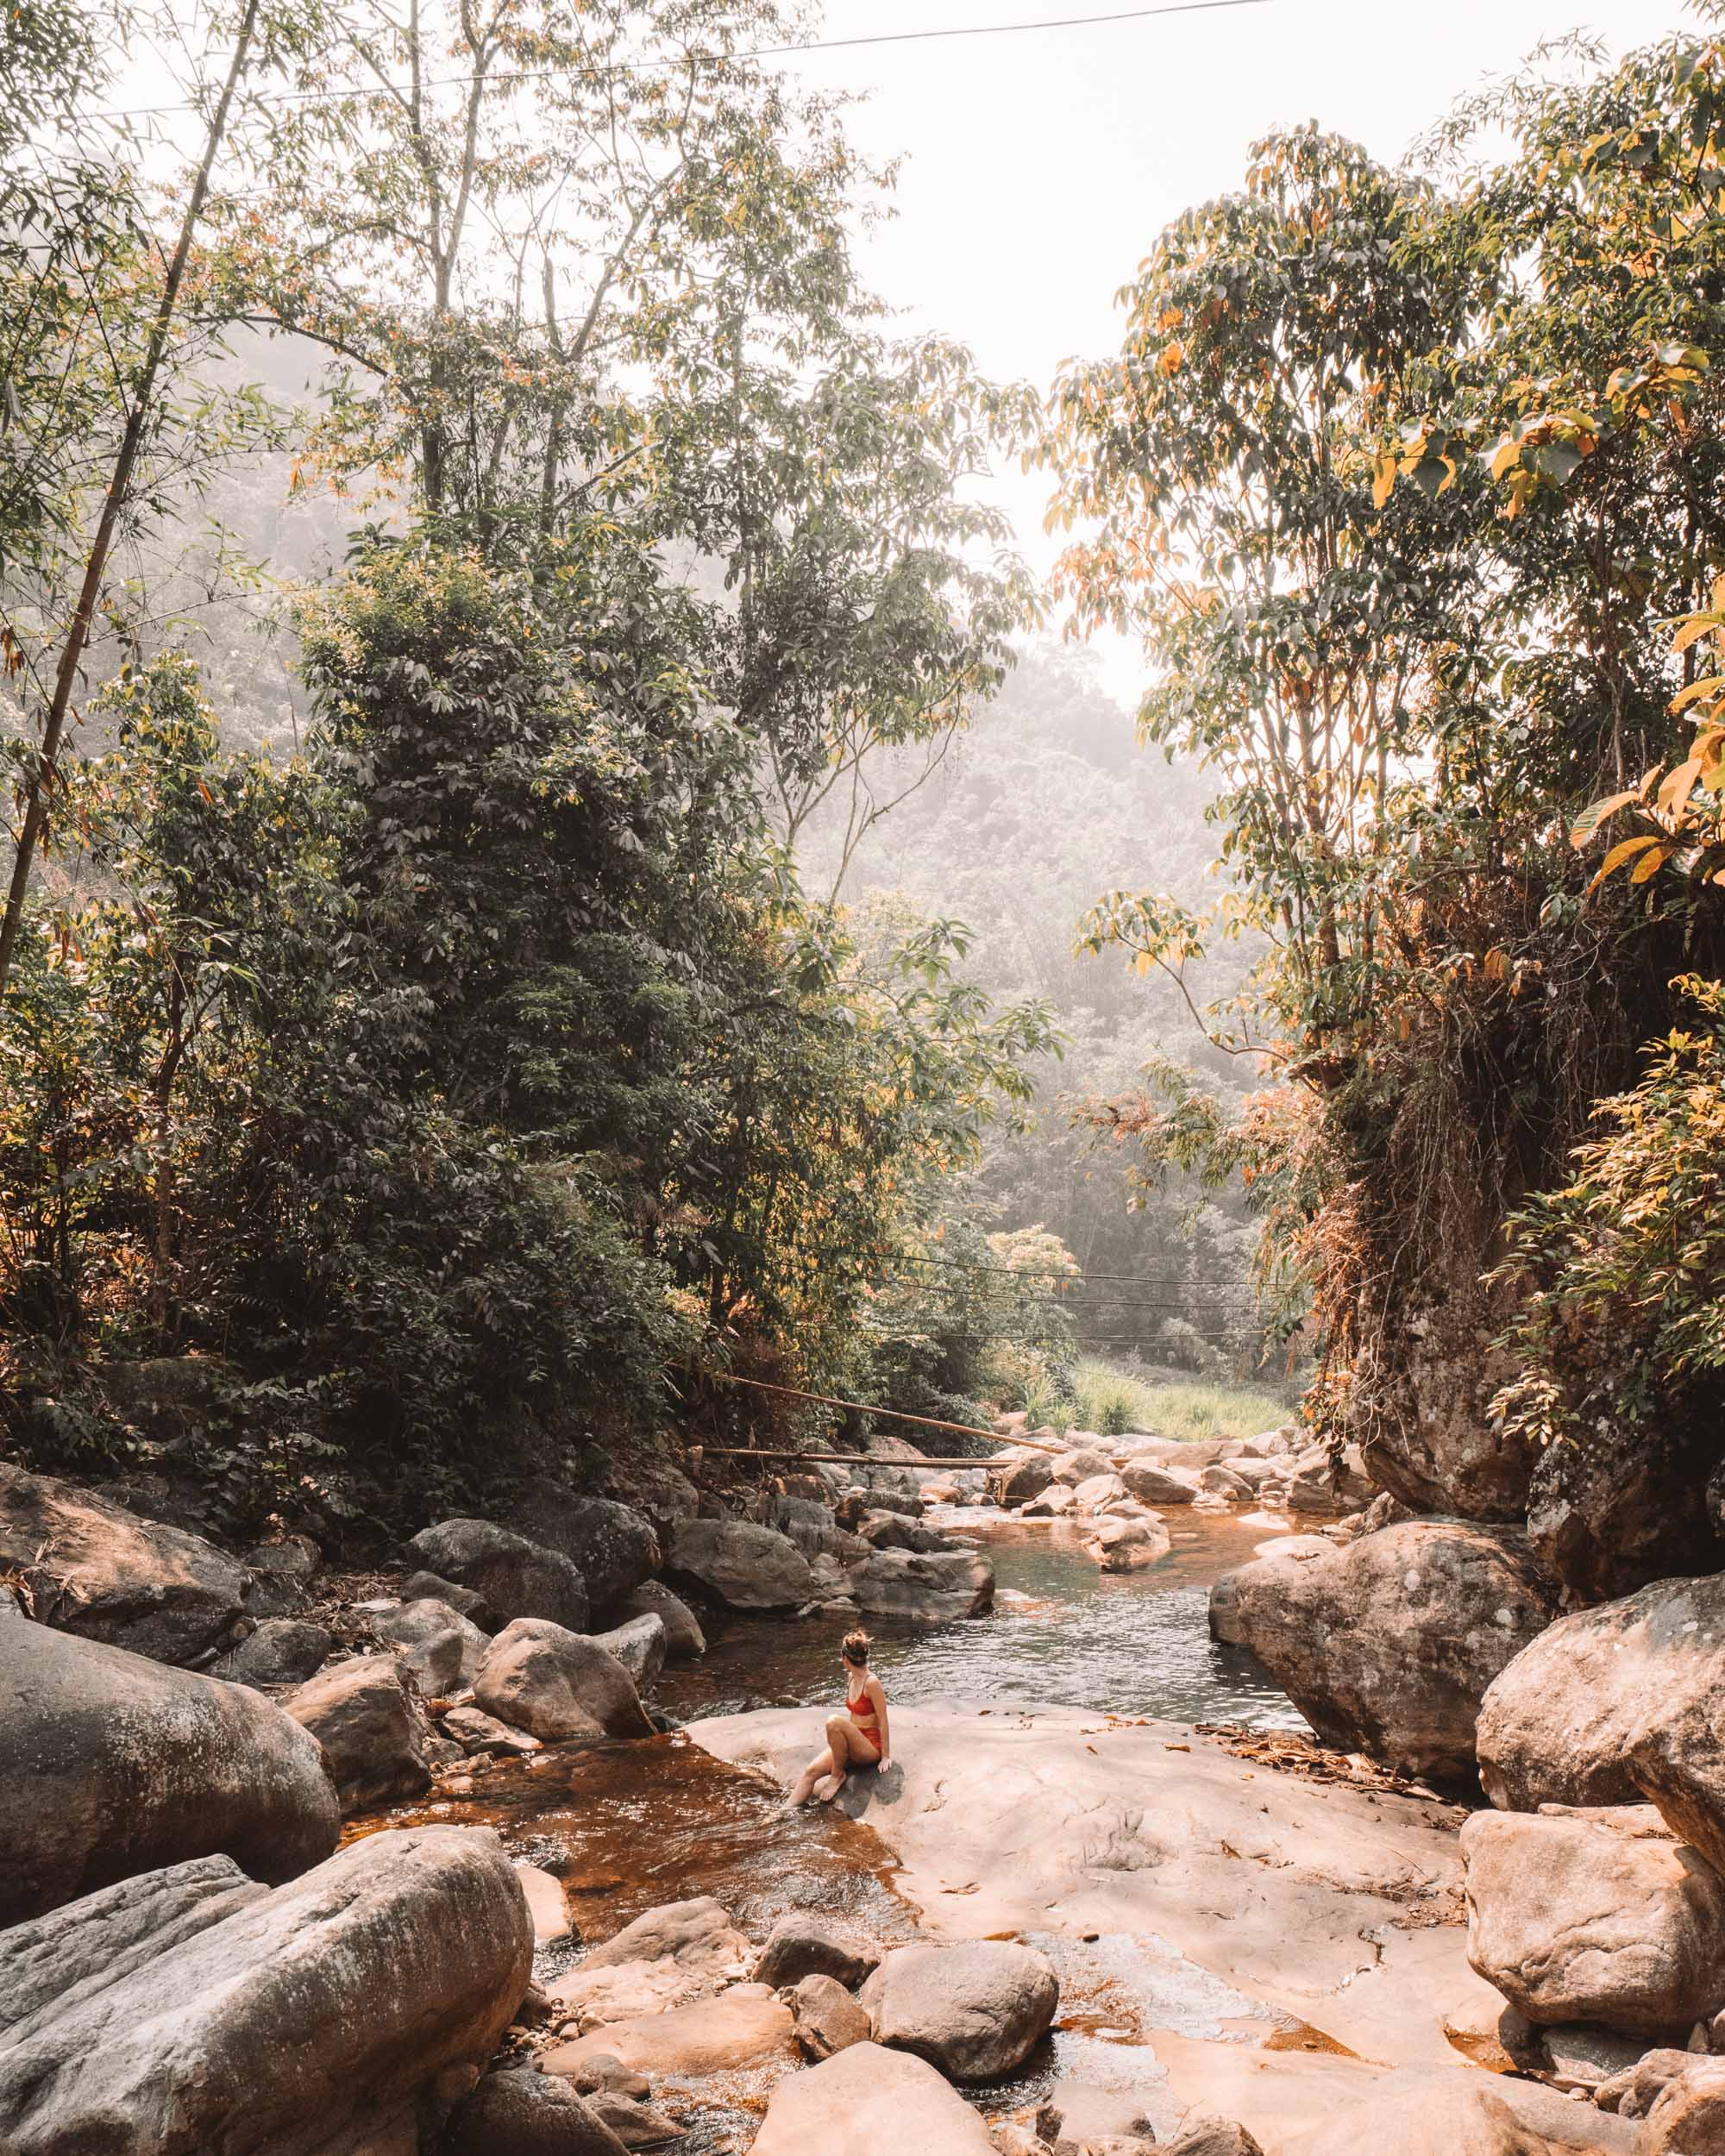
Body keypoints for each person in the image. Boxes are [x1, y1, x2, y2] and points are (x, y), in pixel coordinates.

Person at [788, 1628, 892, 1805]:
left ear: (844, 1658)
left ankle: (837, 1776)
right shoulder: (851, 1677)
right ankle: (781, 1813)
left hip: (869, 1747)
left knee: (833, 1722)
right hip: (851, 1743)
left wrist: (886, 1756)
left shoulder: (872, 1682)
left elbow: (883, 1719)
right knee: (810, 1772)